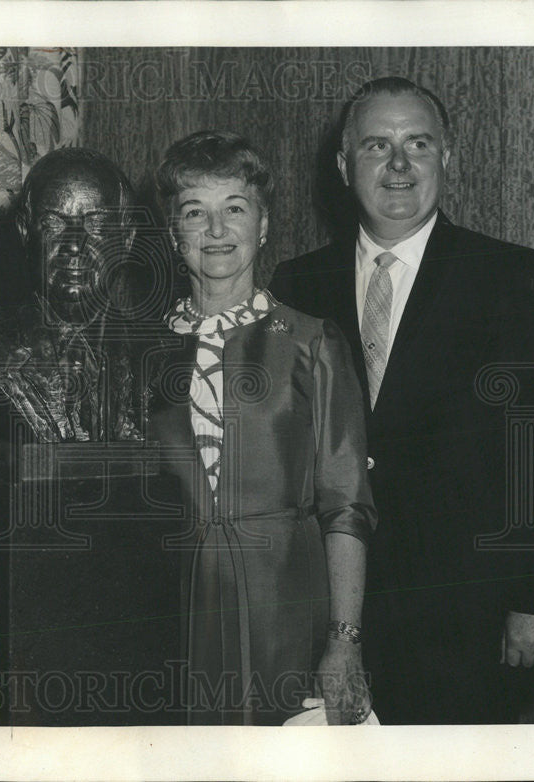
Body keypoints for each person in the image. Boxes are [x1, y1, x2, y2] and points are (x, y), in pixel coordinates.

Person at [270, 77, 534, 724]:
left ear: (448, 157)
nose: (400, 164)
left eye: (419, 144)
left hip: (468, 618)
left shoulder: (510, 277)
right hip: (328, 614)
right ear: (344, 163)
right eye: (378, 145)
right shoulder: (297, 284)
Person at [147, 130, 378, 726]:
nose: (217, 230)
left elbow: (346, 505)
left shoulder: (311, 342)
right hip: (167, 608)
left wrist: (344, 640)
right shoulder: (135, 354)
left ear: (264, 225)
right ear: (173, 233)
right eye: (196, 212)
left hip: (284, 606)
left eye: (236, 209)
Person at [0, 147, 147, 500]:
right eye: (54, 222)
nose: (75, 244)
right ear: (26, 231)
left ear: (127, 238)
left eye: (98, 225)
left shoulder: (162, 355)